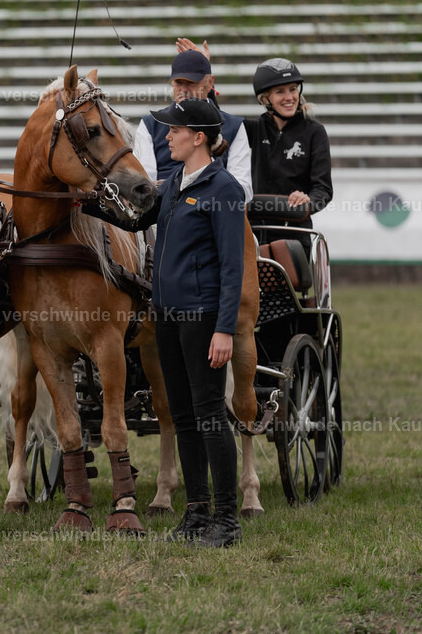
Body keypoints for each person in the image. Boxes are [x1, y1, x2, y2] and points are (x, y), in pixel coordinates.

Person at [84, 98, 245, 548]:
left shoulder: (224, 189)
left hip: (203, 319)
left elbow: (232, 268)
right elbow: (134, 219)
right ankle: (196, 515)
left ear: (197, 137)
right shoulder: (175, 183)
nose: (166, 135)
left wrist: (225, 329)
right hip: (168, 319)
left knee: (210, 415)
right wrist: (85, 202)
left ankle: (226, 520)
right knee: (184, 418)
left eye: (174, 130)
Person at [134, 45, 252, 201]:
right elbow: (144, 184)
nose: (183, 89)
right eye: (178, 83)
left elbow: (244, 189)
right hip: (161, 211)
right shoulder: (151, 123)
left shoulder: (234, 126)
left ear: (210, 83)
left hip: (212, 209)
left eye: (191, 83)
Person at [245, 57, 333, 234]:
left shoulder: (315, 132)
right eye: (280, 92)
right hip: (255, 232)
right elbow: (214, 123)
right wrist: (204, 81)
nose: (289, 97)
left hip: (296, 233)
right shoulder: (254, 129)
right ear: (265, 99)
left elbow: (323, 189)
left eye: (293, 89)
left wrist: (307, 201)